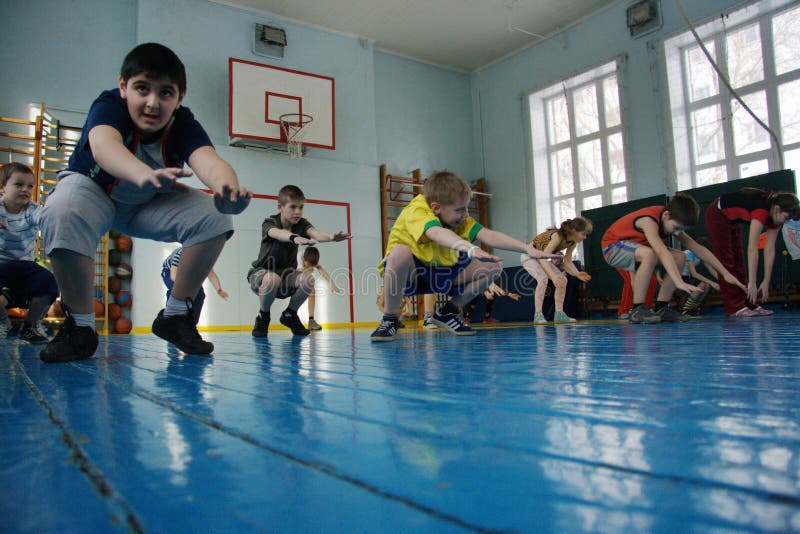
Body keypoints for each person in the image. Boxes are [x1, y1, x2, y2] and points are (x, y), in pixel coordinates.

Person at [38, 43, 251, 362]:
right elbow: (103, 145)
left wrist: (228, 190)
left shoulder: (182, 124)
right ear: (123, 87)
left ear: (179, 98)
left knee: (214, 219)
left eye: (165, 93)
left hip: (146, 204)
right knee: (59, 210)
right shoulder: (109, 105)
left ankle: (175, 316)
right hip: (94, 192)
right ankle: (80, 328)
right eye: (142, 89)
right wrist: (141, 173)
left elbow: (209, 162)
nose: (153, 103)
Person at [371, 170, 561, 342]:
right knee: (399, 252)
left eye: (466, 208)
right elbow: (436, 232)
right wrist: (469, 248)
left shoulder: (458, 217)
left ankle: (448, 312)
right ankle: (389, 320)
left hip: (441, 272)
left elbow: (488, 234)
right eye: (460, 210)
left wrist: (527, 248)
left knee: (494, 267)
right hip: (410, 273)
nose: (466, 214)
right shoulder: (417, 210)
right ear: (436, 208)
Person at [601, 192, 745, 324]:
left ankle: (661, 308)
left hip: (638, 247)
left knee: (680, 257)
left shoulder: (671, 219)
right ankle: (637, 309)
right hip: (612, 247)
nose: (678, 233)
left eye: (682, 230)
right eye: (676, 228)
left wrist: (725, 273)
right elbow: (661, 251)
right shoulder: (649, 220)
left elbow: (698, 248)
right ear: (666, 215)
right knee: (650, 254)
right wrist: (678, 281)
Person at [248, 185, 350, 338]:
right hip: (261, 276)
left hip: (287, 277)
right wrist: (293, 237)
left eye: (301, 207)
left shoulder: (301, 224)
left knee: (308, 278)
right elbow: (277, 233)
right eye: (293, 207)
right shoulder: (270, 222)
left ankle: (289, 315)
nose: (298, 212)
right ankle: (263, 316)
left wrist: (331, 237)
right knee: (272, 278)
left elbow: (315, 233)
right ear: (280, 207)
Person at [704, 188, 800, 317]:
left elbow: (769, 250)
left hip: (732, 220)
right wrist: (753, 282)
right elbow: (752, 249)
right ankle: (734, 307)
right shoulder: (762, 210)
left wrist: (766, 281)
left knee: (738, 259)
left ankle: (749, 303)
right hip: (717, 214)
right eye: (786, 218)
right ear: (777, 209)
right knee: (726, 260)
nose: (786, 222)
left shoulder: (776, 219)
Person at [0, 162, 59, 343]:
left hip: (25, 266)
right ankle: (2, 322)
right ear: (2, 188)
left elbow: (44, 217)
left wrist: (55, 208)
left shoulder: (32, 210)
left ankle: (31, 326)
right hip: (2, 264)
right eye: (18, 185)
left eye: (29, 186)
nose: (25, 190)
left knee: (49, 282)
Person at [522, 217, 593, 324]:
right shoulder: (557, 237)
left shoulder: (572, 242)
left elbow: (567, 262)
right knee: (543, 278)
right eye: (583, 234)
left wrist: (577, 273)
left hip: (540, 257)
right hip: (529, 256)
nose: (585, 237)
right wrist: (553, 276)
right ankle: (538, 314)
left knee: (562, 280)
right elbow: (543, 258)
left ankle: (559, 313)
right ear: (574, 231)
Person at [161, 246, 228, 325]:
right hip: (170, 272)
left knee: (200, 294)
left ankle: (191, 324)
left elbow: (211, 275)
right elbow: (173, 275)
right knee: (177, 290)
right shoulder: (181, 254)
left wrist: (219, 290)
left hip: (188, 274)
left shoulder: (205, 257)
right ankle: (169, 319)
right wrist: (186, 285)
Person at [299, 246, 342, 331]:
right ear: (303, 258)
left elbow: (320, 269)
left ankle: (311, 321)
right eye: (308, 264)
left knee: (312, 290)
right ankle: (292, 315)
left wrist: (332, 284)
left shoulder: (310, 256)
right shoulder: (298, 257)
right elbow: (298, 274)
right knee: (309, 278)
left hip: (300, 273)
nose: (310, 266)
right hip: (289, 275)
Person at [677, 238, 719, 316]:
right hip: (680, 278)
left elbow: (711, 270)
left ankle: (694, 308)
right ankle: (685, 310)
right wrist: (712, 282)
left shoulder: (700, 255)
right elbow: (694, 274)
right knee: (703, 285)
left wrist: (724, 281)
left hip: (688, 278)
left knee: (707, 286)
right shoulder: (688, 253)